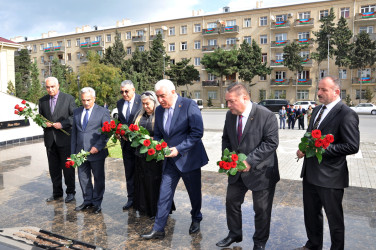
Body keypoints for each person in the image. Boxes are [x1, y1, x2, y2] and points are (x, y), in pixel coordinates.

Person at [296, 76, 360, 250]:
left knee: (334, 219)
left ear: (336, 92)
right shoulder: (317, 111)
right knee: (311, 214)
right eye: (319, 89)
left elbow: (352, 145)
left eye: (323, 90)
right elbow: (310, 136)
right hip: (310, 174)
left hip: (331, 177)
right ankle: (313, 244)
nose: (319, 93)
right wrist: (303, 149)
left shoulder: (347, 113)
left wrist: (321, 150)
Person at [140, 79, 208, 240]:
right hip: (169, 161)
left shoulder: (188, 105)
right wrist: (158, 147)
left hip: (188, 159)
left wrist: (178, 149)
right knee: (164, 194)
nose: (160, 100)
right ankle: (158, 229)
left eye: (162, 96)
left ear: (172, 92)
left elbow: (197, 133)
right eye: (157, 97)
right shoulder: (160, 111)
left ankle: (196, 217)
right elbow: (158, 134)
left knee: (194, 193)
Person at [216, 83, 280, 249]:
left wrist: (249, 161)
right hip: (236, 170)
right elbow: (226, 138)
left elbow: (271, 143)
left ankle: (259, 243)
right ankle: (234, 233)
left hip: (262, 172)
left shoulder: (266, 116)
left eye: (231, 101)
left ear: (244, 98)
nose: (228, 105)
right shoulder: (230, 116)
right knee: (231, 202)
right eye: (227, 102)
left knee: (261, 210)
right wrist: (228, 157)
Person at [133, 91, 175, 218]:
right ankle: (144, 207)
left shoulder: (160, 115)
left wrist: (153, 139)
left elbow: (166, 135)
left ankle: (156, 210)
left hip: (155, 156)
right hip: (141, 155)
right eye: (143, 104)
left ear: (154, 102)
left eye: (147, 103)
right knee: (143, 181)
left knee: (154, 182)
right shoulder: (139, 115)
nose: (145, 106)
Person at [71, 87, 111, 214]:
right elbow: (74, 134)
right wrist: (73, 153)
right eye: (83, 100)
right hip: (80, 152)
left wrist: (98, 146)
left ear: (94, 98)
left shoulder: (102, 112)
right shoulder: (77, 112)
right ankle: (87, 200)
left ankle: (97, 202)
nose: (86, 103)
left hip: (96, 152)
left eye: (88, 100)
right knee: (83, 177)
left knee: (98, 178)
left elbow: (106, 132)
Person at [39, 77, 77, 203]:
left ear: (58, 85)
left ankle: (70, 192)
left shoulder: (68, 99)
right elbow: (40, 119)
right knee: (53, 169)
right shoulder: (42, 101)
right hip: (50, 141)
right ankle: (57, 193)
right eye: (48, 87)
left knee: (68, 169)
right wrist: (44, 123)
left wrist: (63, 124)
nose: (50, 89)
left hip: (65, 139)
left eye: (52, 87)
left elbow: (74, 117)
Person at [116, 80, 142, 210]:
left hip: (141, 145)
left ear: (133, 90)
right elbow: (121, 121)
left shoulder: (142, 101)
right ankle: (131, 199)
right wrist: (120, 131)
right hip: (126, 144)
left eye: (126, 91)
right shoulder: (120, 103)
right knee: (129, 172)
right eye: (122, 92)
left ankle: (141, 200)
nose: (124, 94)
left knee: (141, 172)